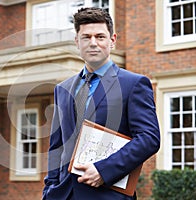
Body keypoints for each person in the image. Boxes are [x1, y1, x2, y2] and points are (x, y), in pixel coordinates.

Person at [42, 7, 160, 200]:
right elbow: (57, 146)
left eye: (100, 36)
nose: (93, 43)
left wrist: (104, 170)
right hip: (63, 195)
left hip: (107, 194)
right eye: (86, 37)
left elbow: (149, 138)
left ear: (112, 40)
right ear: (77, 42)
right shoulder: (62, 89)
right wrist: (49, 190)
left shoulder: (134, 84)